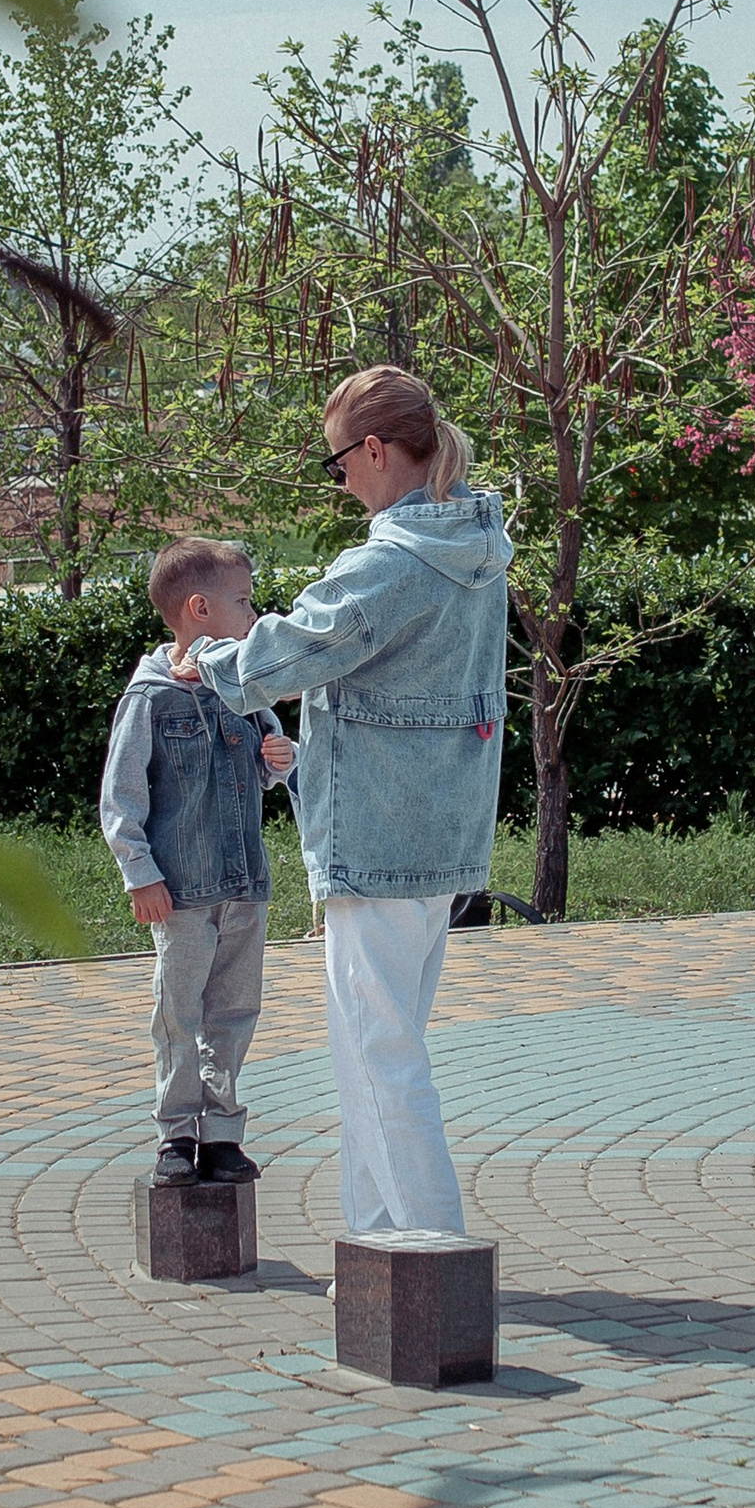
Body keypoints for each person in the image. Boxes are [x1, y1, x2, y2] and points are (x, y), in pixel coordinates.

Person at [190, 367, 508, 1245]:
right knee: (376, 1046)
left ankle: (436, 1255)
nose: (340, 484)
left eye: (338, 466)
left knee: (379, 1056)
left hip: (377, 833)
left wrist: (207, 659)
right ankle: (377, 1243)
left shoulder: (392, 564)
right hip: (441, 826)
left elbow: (291, 654)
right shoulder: (477, 546)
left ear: (373, 449)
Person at [100, 538, 298, 1187]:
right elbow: (122, 799)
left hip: (245, 886)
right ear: (198, 608)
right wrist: (142, 876)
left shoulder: (245, 690)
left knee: (234, 1015)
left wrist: (279, 761)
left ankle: (222, 1135)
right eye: (242, 601)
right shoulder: (150, 699)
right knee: (178, 1017)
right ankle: (175, 1138)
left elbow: (267, 762)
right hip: (183, 894)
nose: (253, 613)